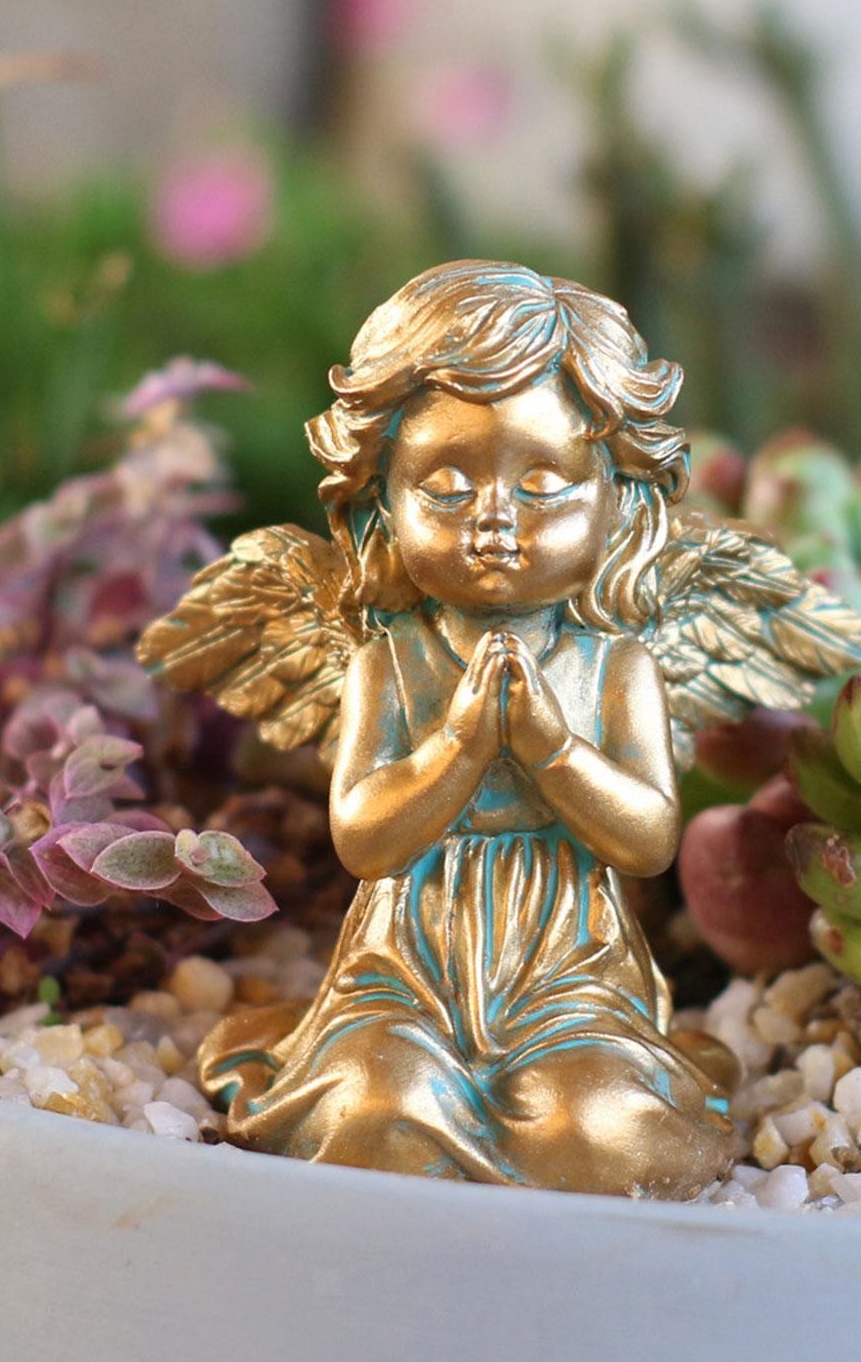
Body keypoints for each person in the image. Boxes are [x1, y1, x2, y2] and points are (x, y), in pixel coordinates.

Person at [194, 261, 734, 1198]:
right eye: (444, 488)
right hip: (406, 967)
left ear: (618, 499)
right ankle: (429, 1111)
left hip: (569, 971)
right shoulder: (389, 663)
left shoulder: (616, 668)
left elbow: (647, 841)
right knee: (373, 1115)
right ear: (380, 502)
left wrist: (551, 748)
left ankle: (536, 1120)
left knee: (599, 1131)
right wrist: (462, 745)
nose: (494, 521)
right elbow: (366, 839)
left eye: (544, 484)